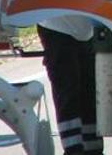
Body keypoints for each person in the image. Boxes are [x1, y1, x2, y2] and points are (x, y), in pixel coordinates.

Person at [37, 17, 104, 155]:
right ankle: (74, 149)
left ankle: (92, 148)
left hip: (83, 24)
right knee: (69, 90)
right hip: (57, 24)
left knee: (88, 92)